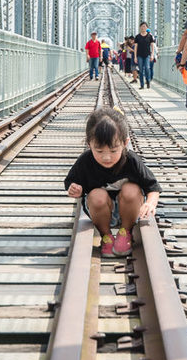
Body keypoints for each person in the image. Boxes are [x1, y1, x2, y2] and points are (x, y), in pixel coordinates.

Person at [64, 107, 161, 256]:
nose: (107, 157)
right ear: (89, 143)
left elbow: (152, 186)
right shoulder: (85, 161)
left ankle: (125, 231)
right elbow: (71, 182)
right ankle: (106, 236)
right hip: (100, 211)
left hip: (129, 210)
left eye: (114, 150)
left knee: (131, 190)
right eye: (100, 151)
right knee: (96, 195)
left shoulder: (131, 160)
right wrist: (74, 189)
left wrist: (150, 203)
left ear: (125, 143)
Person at [134, 22, 156, 89]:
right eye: (142, 26)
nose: (143, 28)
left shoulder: (149, 36)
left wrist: (152, 55)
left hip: (147, 55)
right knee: (140, 70)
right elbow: (135, 47)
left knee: (147, 68)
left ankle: (148, 81)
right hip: (139, 55)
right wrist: (135, 57)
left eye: (144, 26)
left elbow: (152, 46)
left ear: (147, 27)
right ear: (140, 27)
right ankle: (142, 85)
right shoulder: (137, 36)